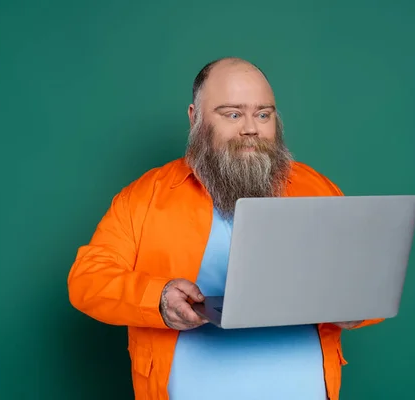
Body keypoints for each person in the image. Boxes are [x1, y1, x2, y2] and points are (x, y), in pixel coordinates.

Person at [67, 57, 383, 400]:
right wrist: (156, 299)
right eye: (232, 113)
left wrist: (358, 310)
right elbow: (87, 280)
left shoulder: (319, 188)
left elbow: (367, 281)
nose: (251, 128)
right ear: (195, 118)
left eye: (263, 114)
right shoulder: (145, 197)